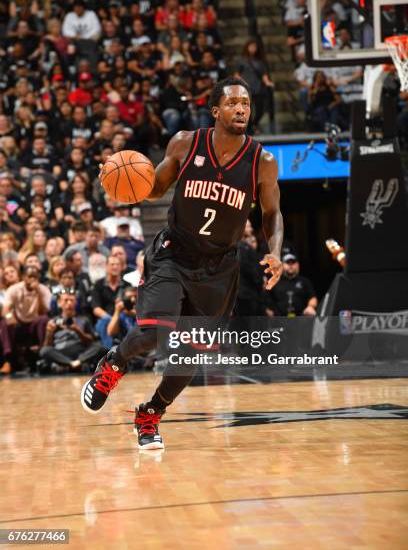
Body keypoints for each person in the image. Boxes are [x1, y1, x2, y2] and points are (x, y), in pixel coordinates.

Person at [81, 76, 283, 450]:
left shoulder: (262, 162)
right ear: (216, 110)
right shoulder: (186, 143)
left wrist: (275, 251)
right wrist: (118, 181)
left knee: (190, 356)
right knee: (156, 331)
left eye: (246, 104)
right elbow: (154, 188)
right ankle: (112, 365)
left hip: (220, 268)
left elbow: (272, 213)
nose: (241, 109)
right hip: (174, 253)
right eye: (233, 103)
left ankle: (150, 414)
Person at [40, 290, 104, 372]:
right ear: (59, 303)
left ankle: (74, 363)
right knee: (44, 350)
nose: (69, 303)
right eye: (66, 300)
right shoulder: (53, 321)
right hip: (60, 353)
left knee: (99, 346)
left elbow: (91, 341)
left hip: (80, 353)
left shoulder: (84, 319)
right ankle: (72, 363)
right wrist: (49, 333)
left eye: (72, 300)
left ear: (76, 302)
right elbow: (47, 346)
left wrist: (78, 330)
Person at [234, 39, 274, 131]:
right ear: (247, 48)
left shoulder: (260, 61)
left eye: (255, 47)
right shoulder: (241, 61)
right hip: (246, 89)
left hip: (258, 88)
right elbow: (236, 74)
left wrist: (267, 82)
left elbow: (264, 74)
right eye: (251, 47)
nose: (253, 49)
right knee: (248, 110)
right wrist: (242, 82)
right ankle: (250, 128)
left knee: (261, 110)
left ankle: (255, 124)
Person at [266, 253, 318, 317]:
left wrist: (311, 307)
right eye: (288, 263)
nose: (290, 265)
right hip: (278, 320)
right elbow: (265, 297)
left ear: (297, 265)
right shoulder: (274, 281)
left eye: (293, 263)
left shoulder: (304, 281)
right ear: (281, 265)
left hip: (300, 320)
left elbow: (313, 298)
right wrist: (267, 311)